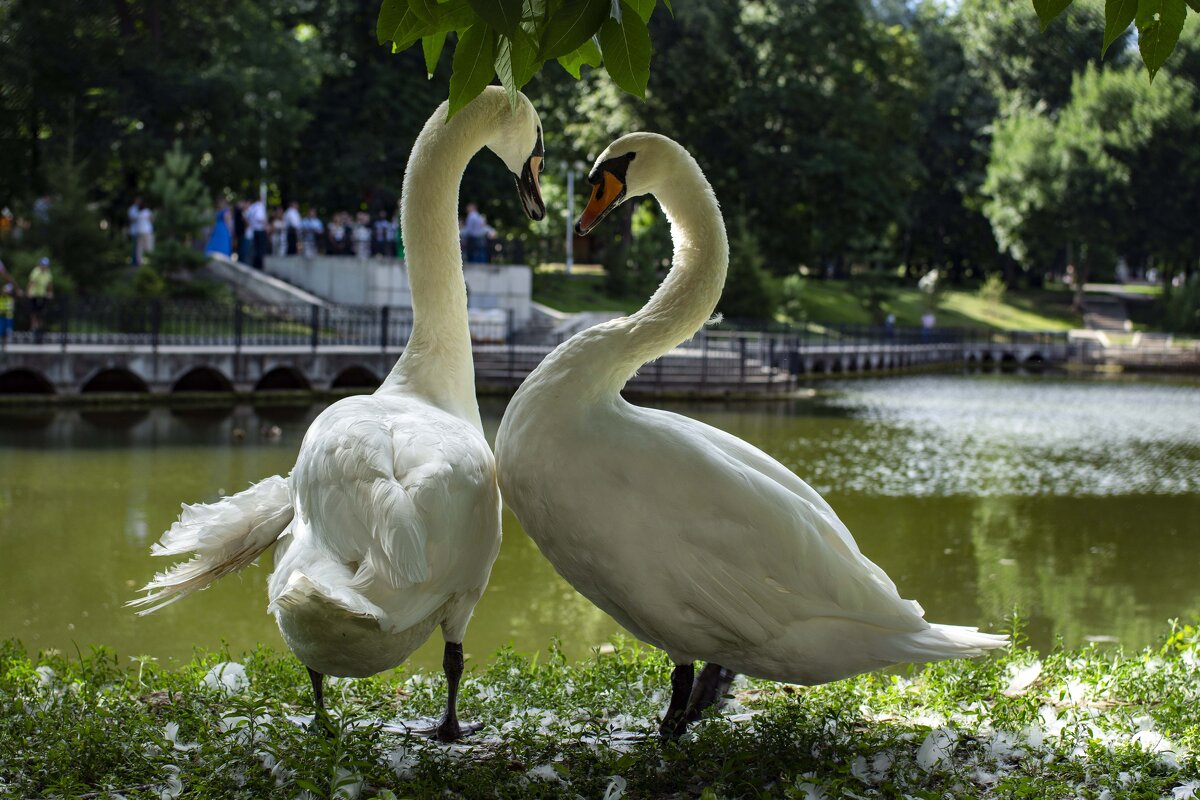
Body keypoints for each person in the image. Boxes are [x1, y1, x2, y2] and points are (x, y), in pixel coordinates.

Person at [27, 257, 53, 343]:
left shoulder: (48, 273)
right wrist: (29, 291)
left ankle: (40, 329)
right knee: (34, 313)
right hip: (34, 295)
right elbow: (31, 282)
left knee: (41, 313)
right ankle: (34, 328)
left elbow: (49, 284)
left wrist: (50, 292)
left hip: (42, 295)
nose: (44, 267)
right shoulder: (36, 271)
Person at [245, 197, 268, 269]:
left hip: (254, 230)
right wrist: (266, 224)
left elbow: (247, 216)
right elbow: (260, 218)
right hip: (260, 230)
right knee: (260, 249)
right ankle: (259, 265)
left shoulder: (252, 207)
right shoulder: (259, 206)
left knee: (255, 249)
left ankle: (255, 264)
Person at [127, 196, 142, 266]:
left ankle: (136, 261)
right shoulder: (133, 209)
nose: (139, 202)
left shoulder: (137, 209)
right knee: (134, 247)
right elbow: (131, 219)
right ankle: (134, 262)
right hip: (134, 231)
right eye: (138, 201)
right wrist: (139, 218)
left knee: (137, 247)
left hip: (138, 230)